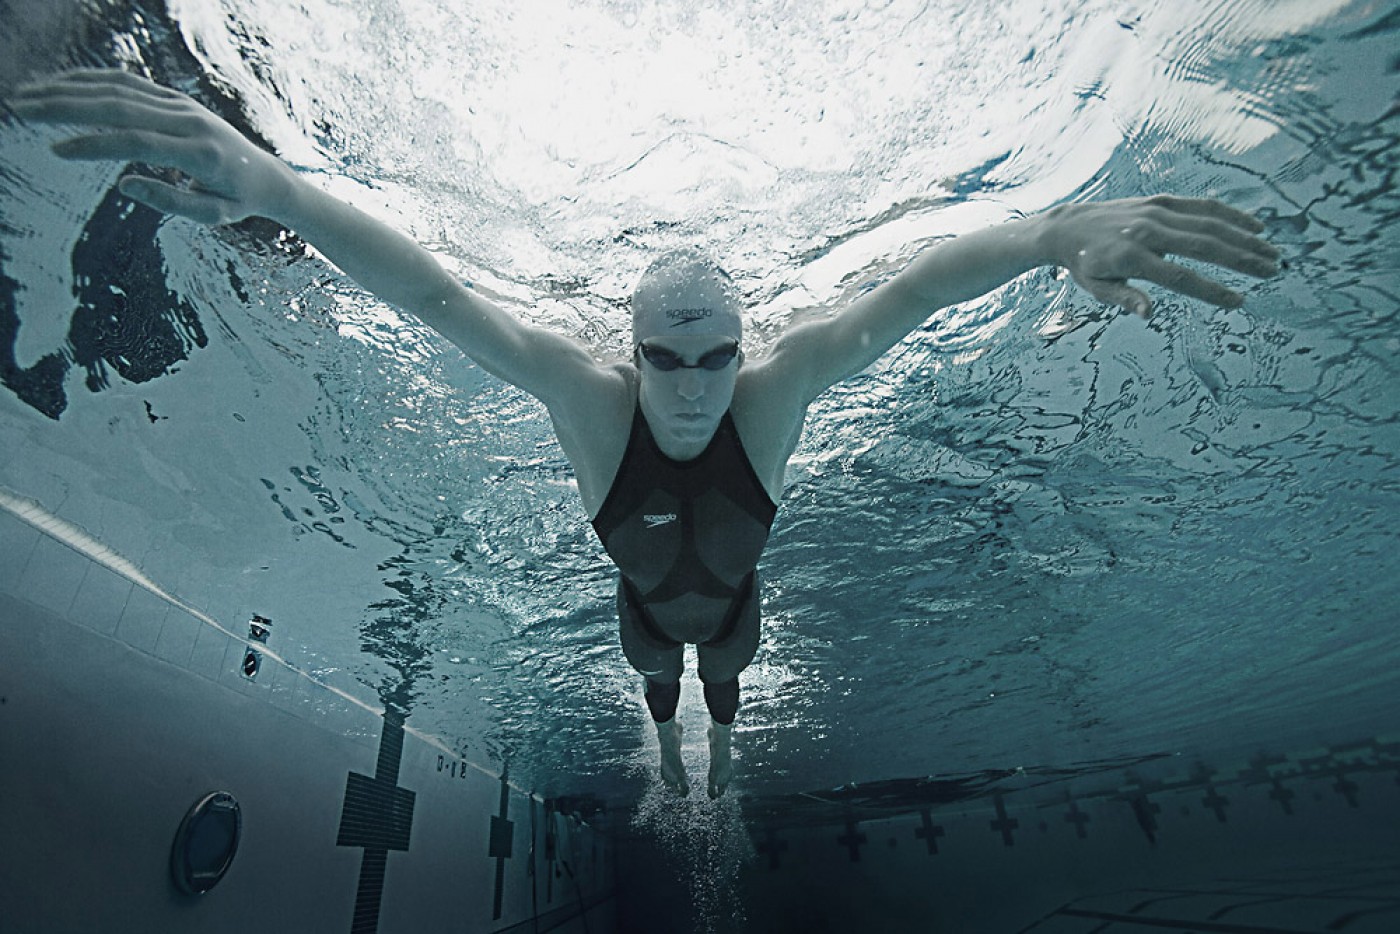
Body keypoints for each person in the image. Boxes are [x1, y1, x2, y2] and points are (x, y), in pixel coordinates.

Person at [10, 69, 1280, 799]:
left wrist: (1050, 236)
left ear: (742, 350)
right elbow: (439, 301)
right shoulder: (590, 402)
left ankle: (709, 773)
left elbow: (911, 296)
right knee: (657, 694)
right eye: (664, 358)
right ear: (630, 355)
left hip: (730, 608)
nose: (689, 385)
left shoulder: (772, 398)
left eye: (715, 356)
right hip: (637, 613)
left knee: (720, 698)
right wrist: (280, 192)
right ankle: (670, 756)